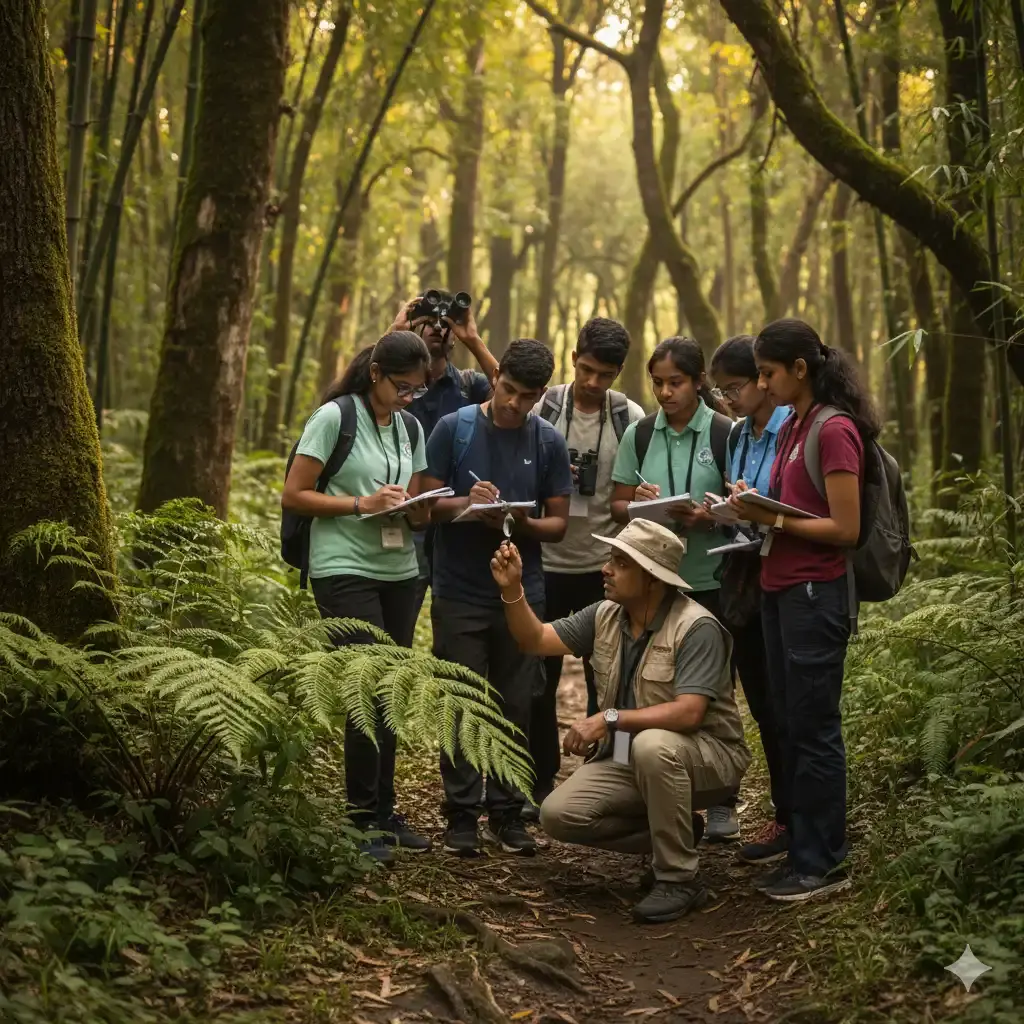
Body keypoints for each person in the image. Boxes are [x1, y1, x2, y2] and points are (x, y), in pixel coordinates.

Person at [489, 519, 751, 924]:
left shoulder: (695, 627)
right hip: (636, 759)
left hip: (709, 758)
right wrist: (511, 589)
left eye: (620, 562)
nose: (606, 569)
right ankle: (677, 832)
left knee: (652, 745)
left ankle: (679, 878)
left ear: (651, 579)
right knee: (558, 814)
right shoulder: (607, 614)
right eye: (611, 559)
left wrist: (608, 719)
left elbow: (689, 712)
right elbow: (535, 640)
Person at [726, 318, 876, 902]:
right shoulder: (796, 426)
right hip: (779, 587)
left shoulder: (833, 430)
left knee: (814, 729)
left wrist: (773, 518)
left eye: (767, 373)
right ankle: (802, 850)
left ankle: (821, 860)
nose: (761, 384)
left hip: (816, 592)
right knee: (789, 722)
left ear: (800, 369)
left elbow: (846, 527)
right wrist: (748, 505)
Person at [282, 331, 436, 863]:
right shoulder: (334, 418)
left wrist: (417, 509)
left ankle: (385, 812)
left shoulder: (411, 426)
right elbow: (295, 493)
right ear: (376, 374)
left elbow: (416, 501)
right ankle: (359, 818)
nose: (409, 398)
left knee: (390, 690)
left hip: (400, 569)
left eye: (418, 390)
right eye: (402, 387)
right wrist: (360, 505)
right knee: (364, 688)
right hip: (343, 568)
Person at [420, 338, 573, 857]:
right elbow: (425, 506)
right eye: (508, 389)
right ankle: (461, 813)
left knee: (516, 703)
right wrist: (468, 503)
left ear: (540, 394)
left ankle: (508, 812)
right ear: (496, 376)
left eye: (527, 397)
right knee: (462, 700)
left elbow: (557, 525)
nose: (514, 403)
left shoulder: (548, 440)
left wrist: (523, 519)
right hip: (459, 588)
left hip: (521, 593)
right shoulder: (455, 427)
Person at [530, 318, 645, 812]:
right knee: (538, 679)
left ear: (619, 373)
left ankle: (607, 782)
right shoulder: (545, 406)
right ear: (573, 357)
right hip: (546, 564)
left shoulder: (629, 416)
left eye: (606, 374)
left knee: (612, 681)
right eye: (586, 369)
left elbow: (637, 487)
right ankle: (535, 782)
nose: (594, 383)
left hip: (605, 569)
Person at [706, 335, 790, 863]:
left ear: (763, 380)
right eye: (722, 390)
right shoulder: (739, 433)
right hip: (745, 581)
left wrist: (757, 509)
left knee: (792, 708)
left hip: (789, 580)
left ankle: (800, 821)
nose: (729, 398)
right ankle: (785, 817)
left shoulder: (794, 430)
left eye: (734, 387)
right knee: (762, 704)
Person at [388, 294, 498, 616]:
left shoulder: (468, 386)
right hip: (406, 517)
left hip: (456, 523)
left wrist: (473, 339)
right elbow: (361, 383)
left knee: (454, 628)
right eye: (428, 322)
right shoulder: (397, 385)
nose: (438, 328)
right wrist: (394, 335)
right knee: (397, 622)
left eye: (444, 323)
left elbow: (510, 392)